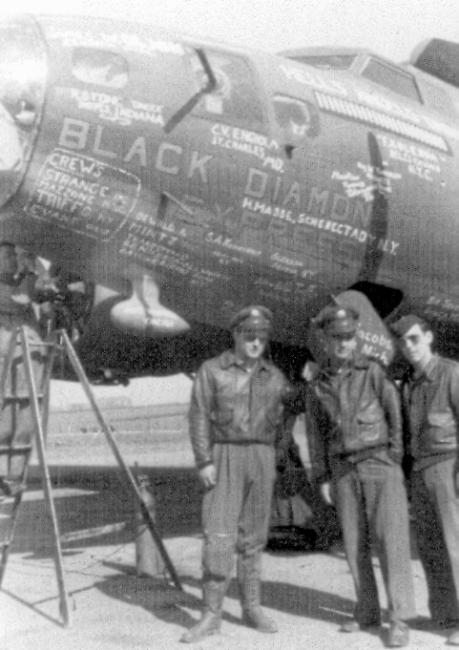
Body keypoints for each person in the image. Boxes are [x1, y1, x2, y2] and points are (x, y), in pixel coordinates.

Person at [304, 305, 415, 647]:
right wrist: (323, 475)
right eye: (337, 338)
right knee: (354, 544)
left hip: (379, 464)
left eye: (350, 337)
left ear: (356, 338)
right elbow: (315, 434)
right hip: (342, 470)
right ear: (326, 340)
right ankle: (367, 611)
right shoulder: (317, 384)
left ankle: (399, 619)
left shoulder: (374, 372)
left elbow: (396, 415)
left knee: (391, 542)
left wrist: (394, 456)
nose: (344, 344)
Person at [181, 305, 290, 643]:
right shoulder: (212, 370)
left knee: (253, 539)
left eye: (261, 336)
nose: (256, 342)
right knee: (219, 538)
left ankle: (251, 607)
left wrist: (276, 456)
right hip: (224, 454)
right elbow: (198, 415)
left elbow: (287, 417)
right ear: (236, 335)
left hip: (261, 455)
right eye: (249, 335)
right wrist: (204, 460)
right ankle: (211, 615)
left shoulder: (275, 376)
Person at [391, 314, 459, 645]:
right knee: (431, 547)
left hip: (449, 467)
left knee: (456, 545)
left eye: (414, 339)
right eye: (403, 343)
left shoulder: (452, 372)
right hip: (420, 471)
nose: (409, 347)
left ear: (429, 338)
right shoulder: (410, 384)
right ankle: (445, 614)